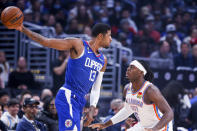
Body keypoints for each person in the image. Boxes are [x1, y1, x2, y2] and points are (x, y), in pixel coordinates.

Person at [9, 23, 111, 131]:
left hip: (80, 100)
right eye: (109, 35)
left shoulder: (103, 60)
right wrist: (23, 29)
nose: (111, 39)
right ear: (100, 36)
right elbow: (46, 42)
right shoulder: (78, 45)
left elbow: (96, 87)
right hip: (68, 95)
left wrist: (92, 107)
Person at [89, 60, 174, 131]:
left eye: (132, 67)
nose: (128, 69)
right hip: (143, 125)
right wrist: (105, 124)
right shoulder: (127, 89)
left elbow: (169, 113)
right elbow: (127, 110)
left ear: (141, 72)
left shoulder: (150, 90)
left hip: (160, 127)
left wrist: (155, 129)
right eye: (129, 67)